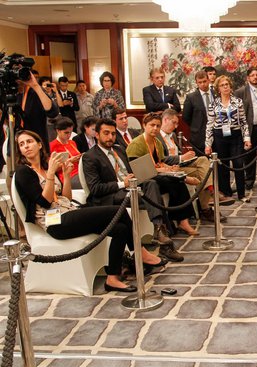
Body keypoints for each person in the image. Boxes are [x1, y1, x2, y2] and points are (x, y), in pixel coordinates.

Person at [14, 129, 166, 293]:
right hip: (55, 222)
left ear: (39, 144)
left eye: (29, 142)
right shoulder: (24, 172)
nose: (26, 146)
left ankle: (112, 278)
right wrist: (51, 174)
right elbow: (44, 201)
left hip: (69, 212)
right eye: (21, 144)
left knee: (120, 229)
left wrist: (65, 176)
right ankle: (140, 252)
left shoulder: (44, 167)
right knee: (118, 211)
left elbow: (66, 197)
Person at [82, 118, 182, 261]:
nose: (110, 137)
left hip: (132, 186)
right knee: (153, 197)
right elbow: (95, 188)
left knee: (152, 184)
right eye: (106, 133)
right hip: (112, 194)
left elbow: (133, 170)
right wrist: (123, 183)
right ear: (97, 135)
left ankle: (159, 231)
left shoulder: (120, 149)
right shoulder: (90, 157)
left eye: (113, 134)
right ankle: (164, 242)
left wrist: (154, 171)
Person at [126, 112, 199, 236]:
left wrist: (170, 168)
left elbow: (161, 161)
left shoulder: (157, 142)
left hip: (156, 175)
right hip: (142, 178)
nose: (155, 128)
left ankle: (183, 221)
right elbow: (138, 170)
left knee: (178, 183)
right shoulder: (136, 144)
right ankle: (185, 180)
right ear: (144, 126)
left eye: (158, 126)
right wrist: (164, 170)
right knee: (173, 181)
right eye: (152, 125)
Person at [158, 109, 234, 222]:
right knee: (203, 174)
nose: (176, 126)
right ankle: (206, 206)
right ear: (165, 120)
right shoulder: (157, 137)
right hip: (170, 168)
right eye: (174, 122)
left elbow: (177, 153)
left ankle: (210, 194)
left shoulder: (173, 135)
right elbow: (161, 159)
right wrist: (181, 158)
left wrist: (185, 157)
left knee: (203, 160)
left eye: (177, 123)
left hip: (181, 164)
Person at [205, 75, 252, 202]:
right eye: (222, 85)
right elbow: (209, 125)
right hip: (219, 136)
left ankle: (241, 194)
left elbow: (243, 122)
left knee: (238, 164)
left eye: (227, 84)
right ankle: (226, 193)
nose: (225, 87)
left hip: (235, 136)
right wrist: (208, 144)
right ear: (218, 88)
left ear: (230, 87)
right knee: (222, 166)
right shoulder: (213, 104)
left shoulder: (238, 102)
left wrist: (246, 138)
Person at [234, 67, 257, 190]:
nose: (255, 77)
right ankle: (249, 180)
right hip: (251, 129)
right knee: (249, 156)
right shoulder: (241, 92)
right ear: (248, 78)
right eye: (252, 75)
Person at [16, 73, 60, 152]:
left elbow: (53, 112)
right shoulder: (10, 94)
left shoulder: (35, 91)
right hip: (17, 146)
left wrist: (35, 86)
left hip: (37, 145)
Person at [182, 70, 211, 155]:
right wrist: (196, 126)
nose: (203, 84)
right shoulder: (191, 97)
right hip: (199, 136)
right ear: (197, 83)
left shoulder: (215, 93)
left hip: (216, 134)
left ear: (208, 80)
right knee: (202, 163)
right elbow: (186, 117)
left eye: (205, 81)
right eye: (200, 82)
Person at [49, 117, 82, 189]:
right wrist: (70, 161)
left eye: (71, 132)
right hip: (69, 176)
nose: (69, 135)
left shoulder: (72, 142)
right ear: (58, 131)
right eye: (66, 132)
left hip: (80, 171)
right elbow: (52, 169)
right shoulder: (52, 146)